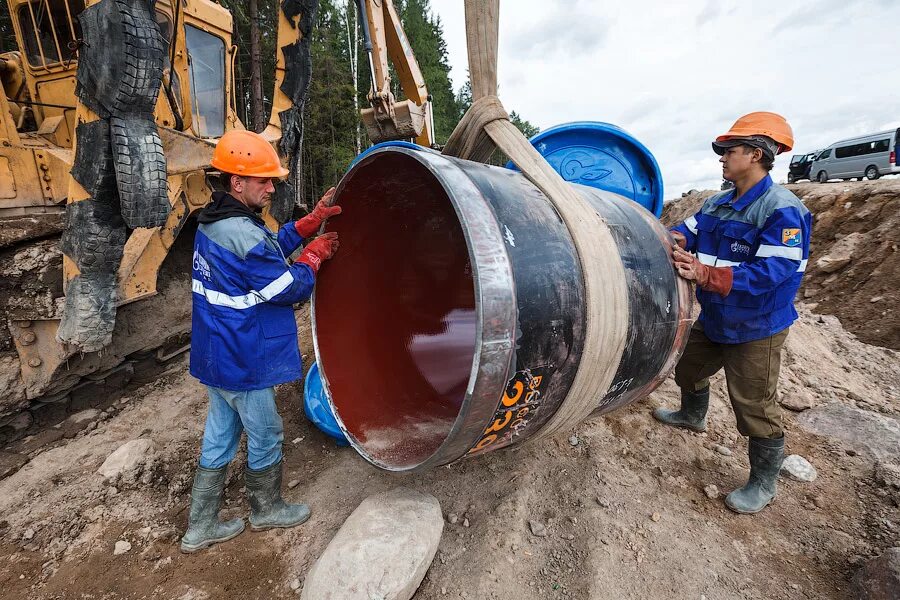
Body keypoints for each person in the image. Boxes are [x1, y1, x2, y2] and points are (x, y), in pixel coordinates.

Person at [181, 129, 341, 552]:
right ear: (237, 182)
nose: (271, 188)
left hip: (216, 355)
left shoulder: (216, 220)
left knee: (219, 435)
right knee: (267, 433)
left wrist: (307, 224)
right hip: (243, 357)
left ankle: (200, 527)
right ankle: (266, 509)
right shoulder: (243, 234)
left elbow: (266, 248)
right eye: (263, 181)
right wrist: (314, 255)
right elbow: (288, 287)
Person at [656, 112, 812, 514]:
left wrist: (706, 274)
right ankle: (693, 416)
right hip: (713, 316)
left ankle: (763, 482)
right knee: (687, 369)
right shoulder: (718, 203)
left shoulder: (783, 210)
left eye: (729, 150)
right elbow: (684, 232)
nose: (722, 158)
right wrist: (667, 239)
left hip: (756, 325)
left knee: (754, 405)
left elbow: (774, 272)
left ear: (756, 154)